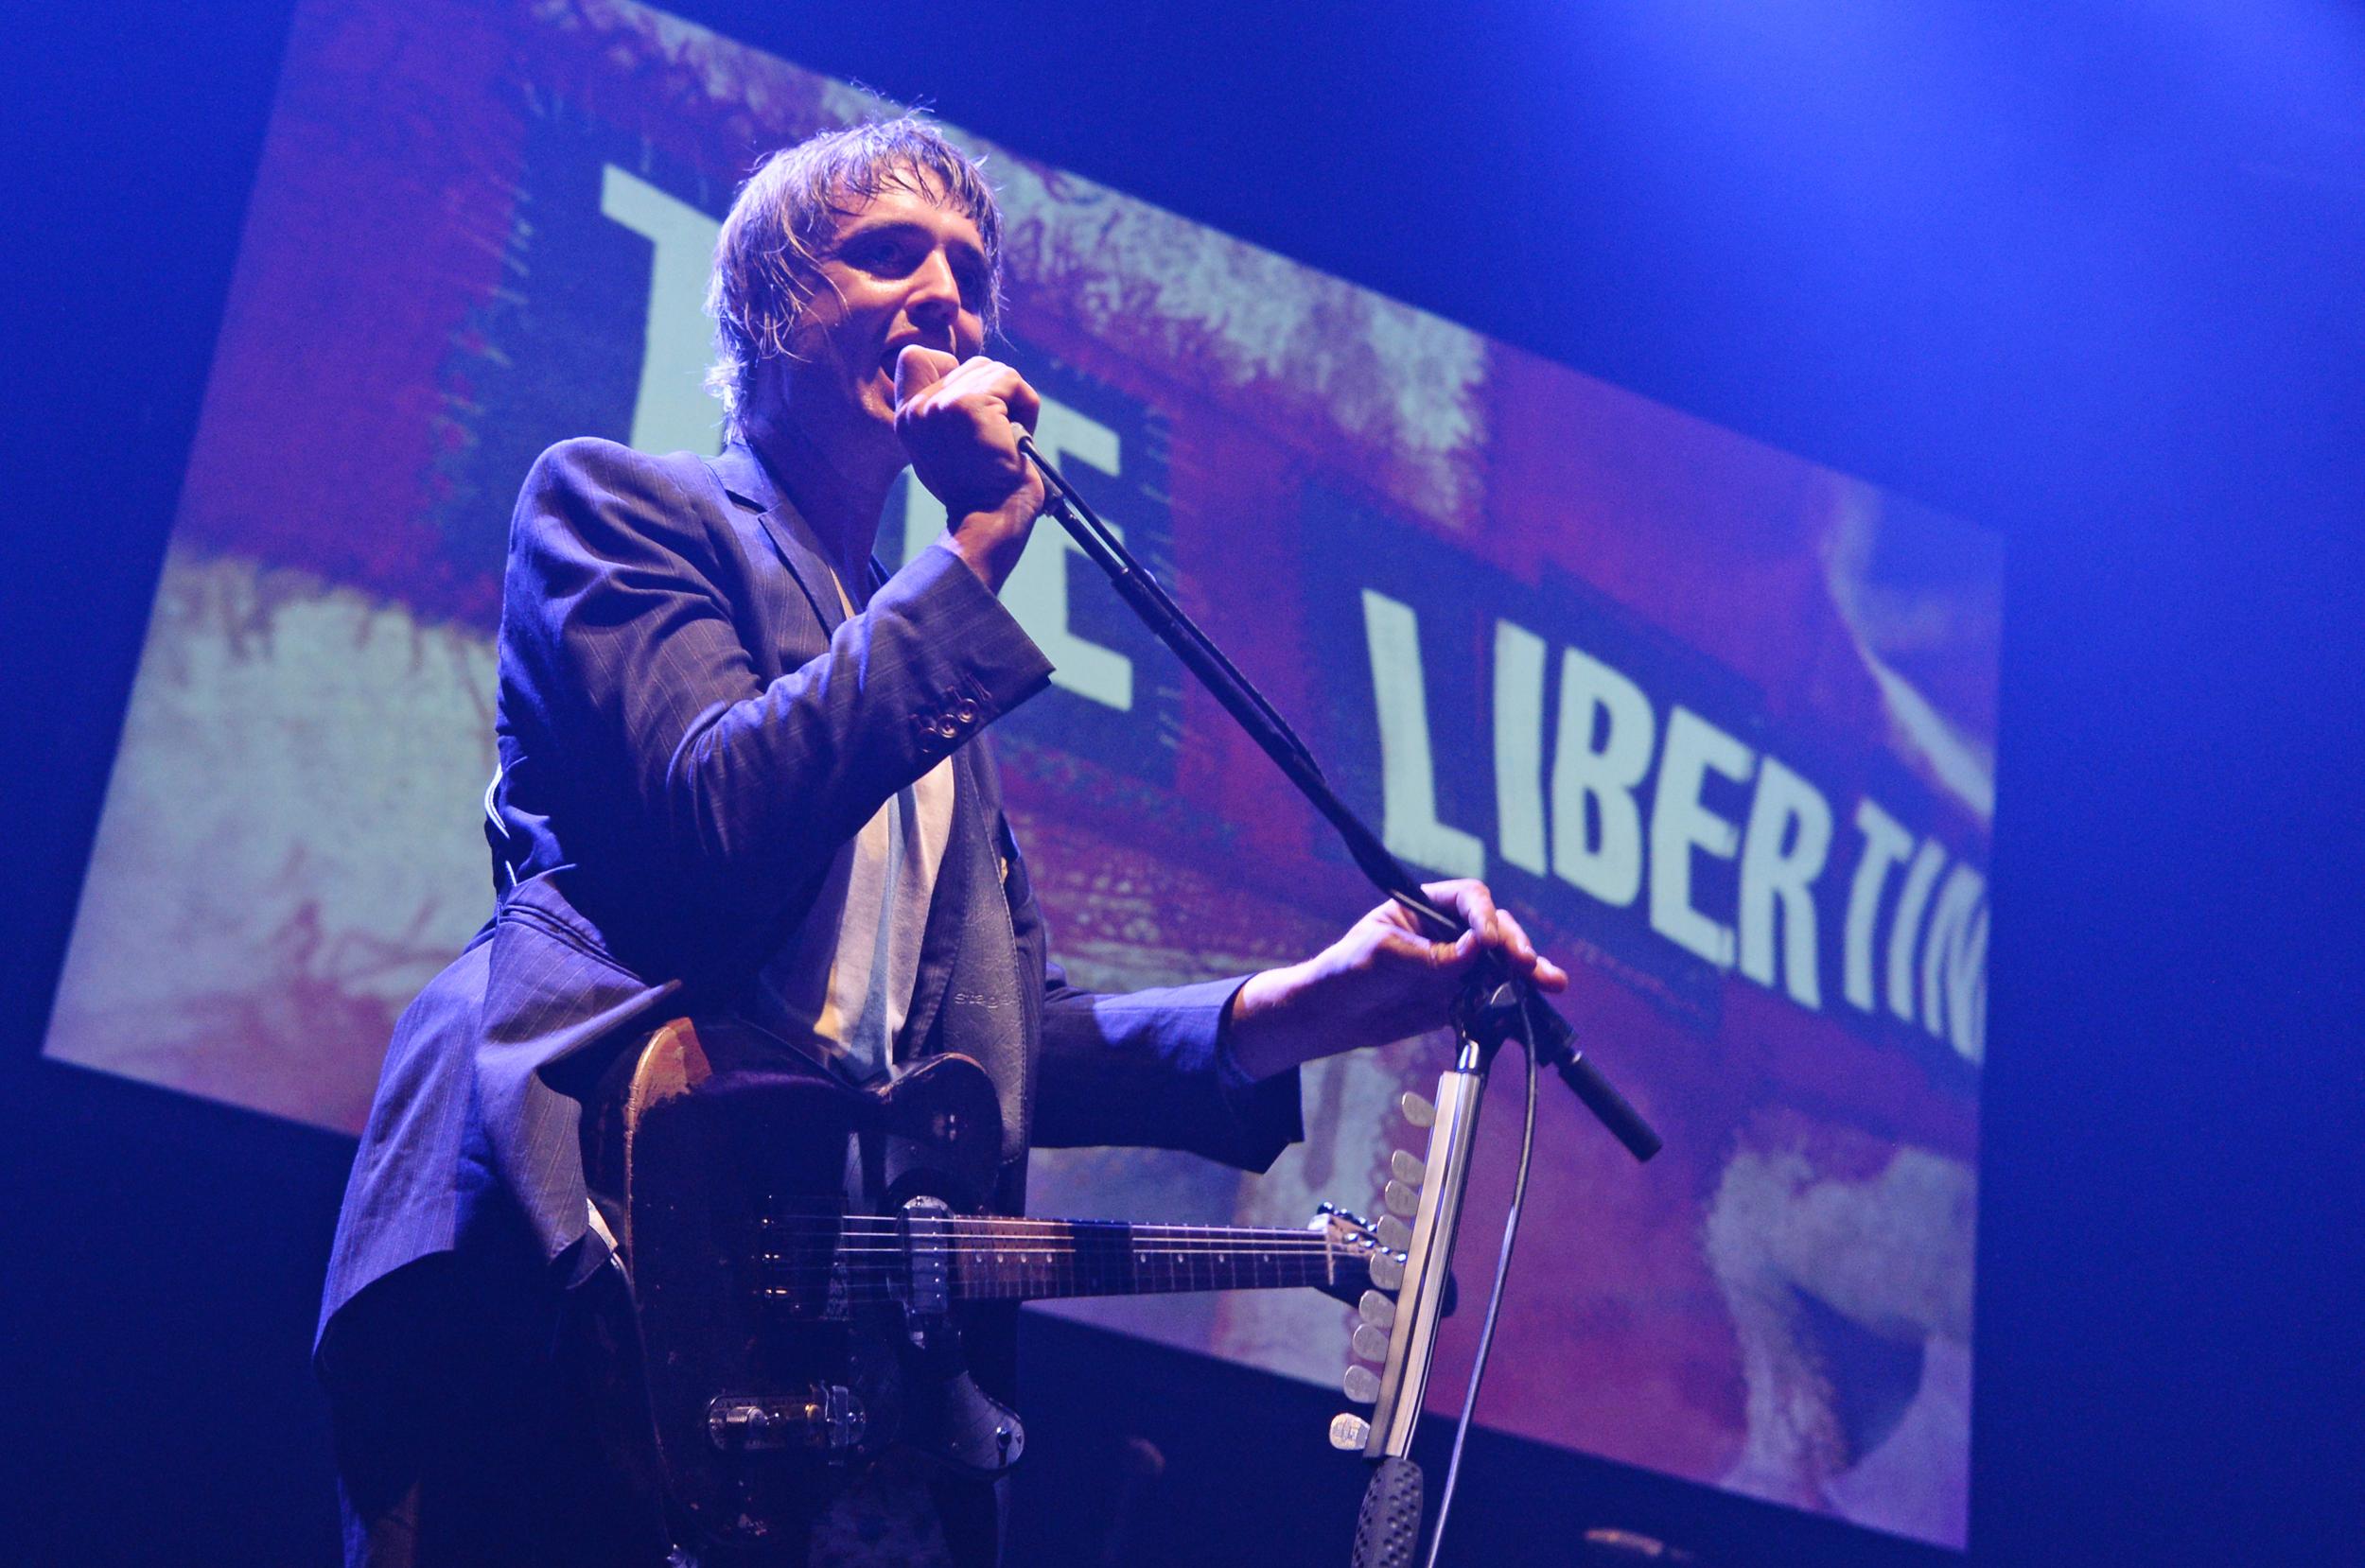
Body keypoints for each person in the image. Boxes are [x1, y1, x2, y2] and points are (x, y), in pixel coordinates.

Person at [315, 113, 1563, 1568]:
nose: (946, 301)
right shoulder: (620, 508)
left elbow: (999, 1054)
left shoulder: (928, 702)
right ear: (770, 314)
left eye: (970, 274)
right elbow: (709, 819)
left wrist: (1316, 1000)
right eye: (887, 256)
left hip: (798, 1359)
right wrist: (971, 550)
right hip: (577, 1256)